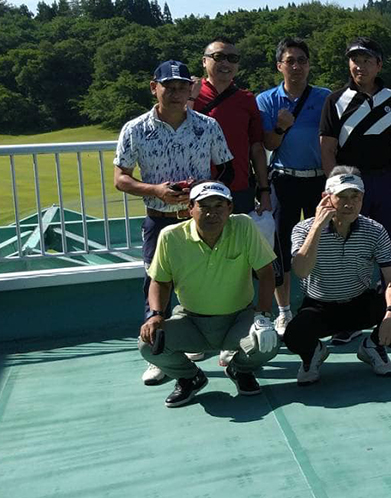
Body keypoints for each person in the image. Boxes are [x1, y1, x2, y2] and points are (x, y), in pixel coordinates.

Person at [114, 60, 235, 386]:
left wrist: (202, 189)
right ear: (154, 87)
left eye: (182, 86)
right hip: (159, 220)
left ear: (190, 89)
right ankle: (159, 354)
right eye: (169, 87)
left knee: (208, 281)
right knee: (156, 286)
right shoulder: (135, 129)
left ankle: (206, 340)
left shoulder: (207, 126)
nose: (176, 93)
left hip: (203, 220)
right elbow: (121, 178)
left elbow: (227, 169)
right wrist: (155, 190)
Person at [137, 181, 279, 407]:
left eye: (219, 206)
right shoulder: (170, 236)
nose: (212, 213)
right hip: (191, 321)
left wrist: (263, 314)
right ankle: (190, 378)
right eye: (204, 206)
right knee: (148, 345)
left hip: (238, 320)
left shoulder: (244, 225)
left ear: (230, 208)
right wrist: (155, 315)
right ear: (190, 209)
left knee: (269, 341)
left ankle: (240, 369)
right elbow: (160, 282)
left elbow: (266, 272)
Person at [319, 36, 391, 343]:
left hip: (385, 182)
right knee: (350, 253)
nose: (359, 66)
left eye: (366, 60)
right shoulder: (335, 100)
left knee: (388, 251)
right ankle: (349, 321)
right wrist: (333, 189)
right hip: (349, 186)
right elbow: (327, 148)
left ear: (379, 65)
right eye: (355, 60)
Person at [283, 168, 391, 385]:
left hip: (359, 302)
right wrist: (317, 227)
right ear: (326, 198)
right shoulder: (304, 229)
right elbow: (301, 270)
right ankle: (315, 352)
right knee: (293, 335)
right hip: (320, 307)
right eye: (342, 197)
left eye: (355, 196)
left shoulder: (375, 230)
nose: (349, 204)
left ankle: (373, 346)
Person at [256, 37, 332, 335]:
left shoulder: (325, 97)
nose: (297, 66)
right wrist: (280, 126)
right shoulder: (266, 100)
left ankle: (321, 307)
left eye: (302, 60)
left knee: (321, 245)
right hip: (283, 180)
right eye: (290, 61)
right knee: (280, 249)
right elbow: (268, 143)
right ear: (280, 66)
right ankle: (284, 312)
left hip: (318, 181)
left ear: (309, 65)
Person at [193, 37, 272, 215]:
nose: (226, 63)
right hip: (198, 188)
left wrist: (264, 191)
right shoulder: (190, 94)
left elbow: (256, 148)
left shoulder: (246, 99)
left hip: (239, 188)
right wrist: (190, 98)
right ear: (204, 61)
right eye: (218, 57)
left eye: (232, 59)